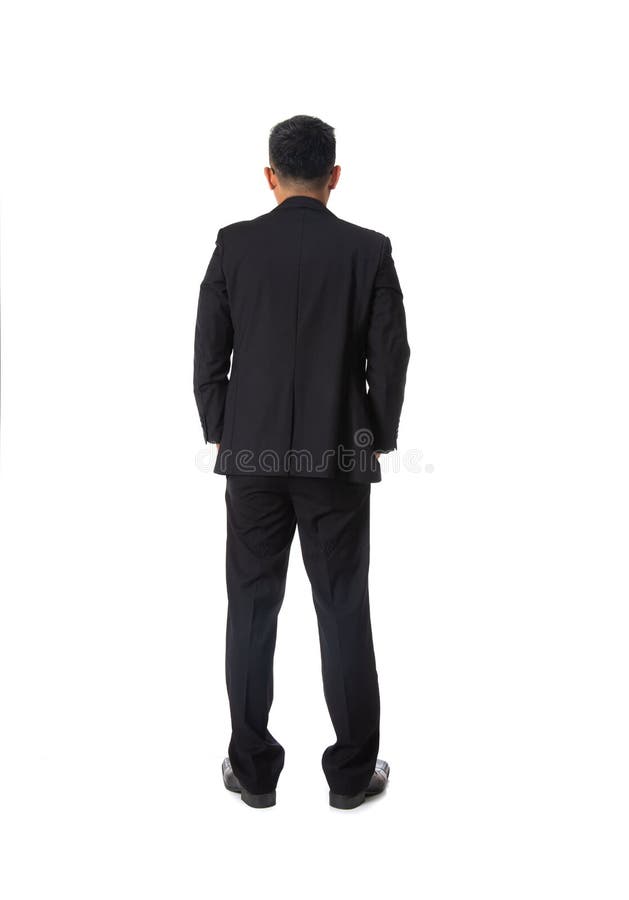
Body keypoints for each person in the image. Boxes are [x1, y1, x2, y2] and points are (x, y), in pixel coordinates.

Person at [193, 114, 410, 809]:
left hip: (250, 458)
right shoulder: (367, 250)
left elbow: (207, 357)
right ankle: (351, 778)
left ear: (270, 176)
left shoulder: (234, 245)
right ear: (333, 177)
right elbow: (391, 357)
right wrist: (372, 435)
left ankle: (252, 773)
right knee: (342, 607)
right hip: (336, 457)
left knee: (251, 609)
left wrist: (223, 432)